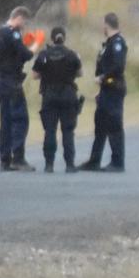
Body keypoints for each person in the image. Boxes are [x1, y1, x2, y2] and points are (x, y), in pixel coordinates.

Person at [0, 6, 41, 172]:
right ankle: (18, 158)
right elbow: (25, 55)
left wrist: (23, 43)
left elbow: (11, 53)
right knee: (20, 119)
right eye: (24, 22)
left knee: (5, 120)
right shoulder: (12, 33)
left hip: (1, 79)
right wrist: (35, 45)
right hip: (12, 82)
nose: (24, 26)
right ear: (19, 17)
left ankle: (5, 159)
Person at [79, 12, 128, 173]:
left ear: (106, 25)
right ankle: (94, 160)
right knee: (100, 123)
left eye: (103, 25)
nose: (102, 28)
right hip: (105, 90)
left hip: (113, 88)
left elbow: (118, 66)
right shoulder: (108, 43)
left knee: (114, 124)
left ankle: (117, 161)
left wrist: (103, 77)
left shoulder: (117, 43)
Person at [31, 26, 83, 174]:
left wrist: (47, 75)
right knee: (68, 131)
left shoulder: (44, 55)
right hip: (68, 95)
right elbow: (80, 73)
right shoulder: (72, 55)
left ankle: (49, 165)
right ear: (64, 38)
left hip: (49, 95)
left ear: (52, 39)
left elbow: (34, 75)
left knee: (50, 131)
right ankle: (70, 165)